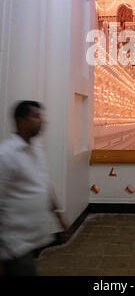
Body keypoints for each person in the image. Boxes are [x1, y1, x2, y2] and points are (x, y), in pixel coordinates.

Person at [0, 101, 69, 276]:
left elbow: (44, 184)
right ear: (20, 121)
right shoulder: (6, 155)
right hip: (14, 245)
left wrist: (59, 217)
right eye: (36, 116)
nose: (42, 121)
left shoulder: (36, 148)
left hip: (33, 239)